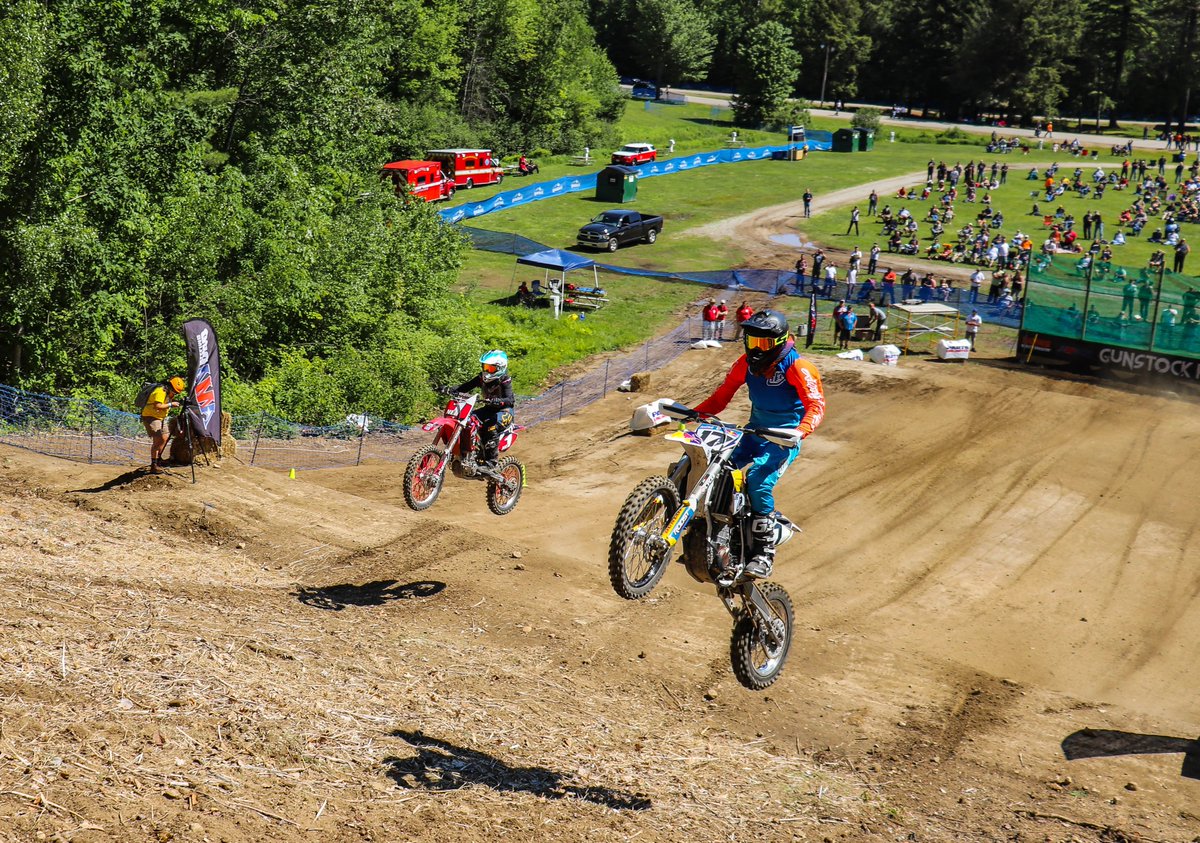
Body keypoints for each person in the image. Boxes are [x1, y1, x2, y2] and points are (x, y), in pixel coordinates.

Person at [693, 310, 825, 577]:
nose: (755, 348)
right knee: (713, 464)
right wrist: (693, 412)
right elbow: (721, 398)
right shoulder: (744, 363)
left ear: (779, 341)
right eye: (751, 340)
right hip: (753, 432)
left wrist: (800, 431)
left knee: (757, 480)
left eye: (763, 343)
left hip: (782, 439)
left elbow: (816, 404)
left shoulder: (797, 367)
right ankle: (711, 531)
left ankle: (764, 554)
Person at [453, 350, 515, 464]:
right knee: (466, 419)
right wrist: (451, 390)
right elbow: (466, 386)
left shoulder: (505, 379)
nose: (486, 371)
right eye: (485, 367)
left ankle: (491, 462)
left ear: (500, 368)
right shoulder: (481, 377)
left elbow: (510, 400)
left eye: (490, 368)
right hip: (488, 409)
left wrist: (499, 401)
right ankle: (468, 451)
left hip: (504, 411)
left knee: (490, 427)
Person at [141, 376, 186, 473]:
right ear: (170, 386)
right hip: (151, 417)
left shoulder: (168, 393)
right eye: (174, 391)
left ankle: (158, 459)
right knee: (158, 440)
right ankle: (154, 464)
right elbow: (157, 405)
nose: (175, 393)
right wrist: (171, 404)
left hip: (161, 418)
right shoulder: (160, 391)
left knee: (165, 438)